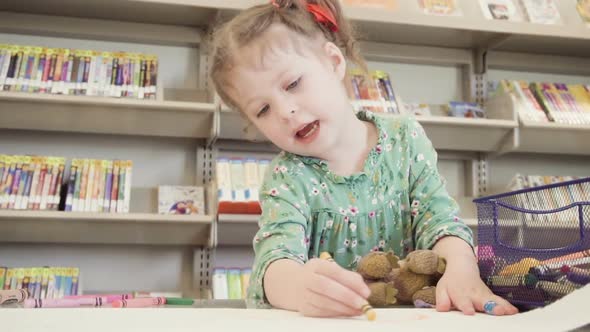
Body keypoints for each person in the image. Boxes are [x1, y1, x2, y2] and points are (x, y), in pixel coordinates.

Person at [209, 0, 518, 318]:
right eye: (262, 110)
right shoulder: (287, 175)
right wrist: (300, 287)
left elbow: (439, 222)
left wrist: (461, 267)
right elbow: (274, 259)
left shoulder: (404, 139)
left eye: (292, 84)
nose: (285, 111)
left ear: (333, 62)